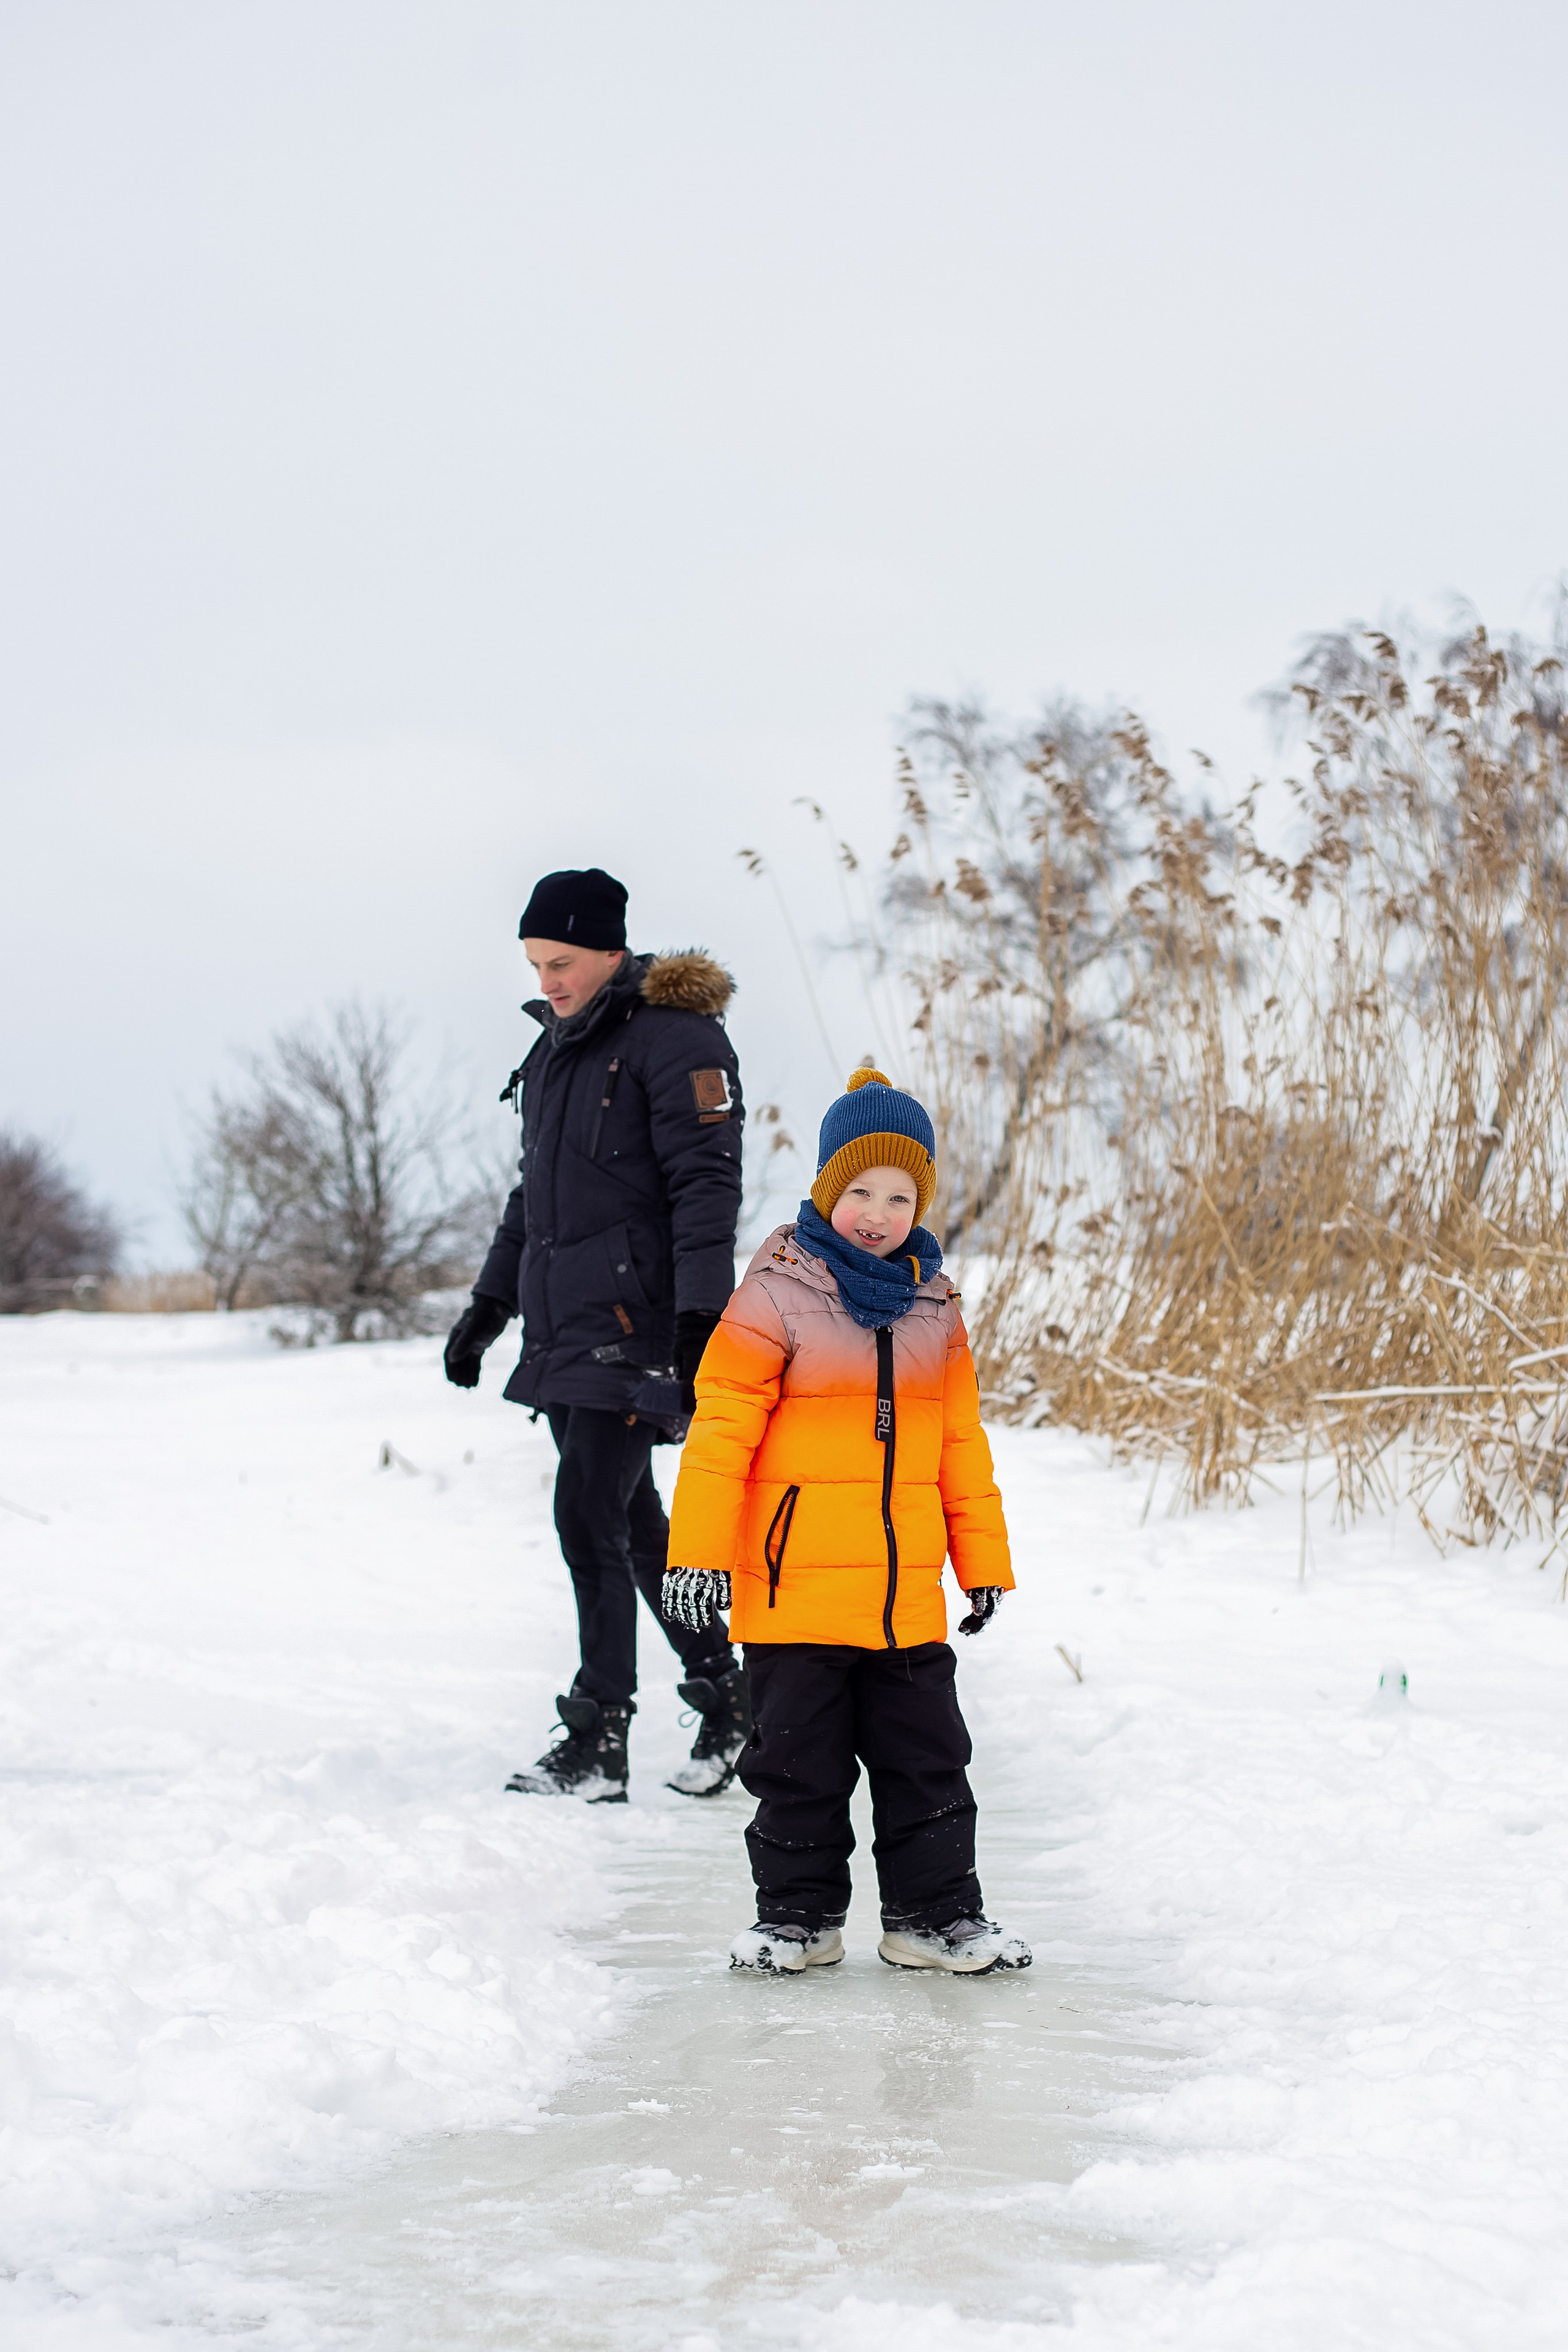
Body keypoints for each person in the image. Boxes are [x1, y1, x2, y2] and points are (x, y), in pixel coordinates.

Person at [660, 1065, 1031, 1975]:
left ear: (922, 1204)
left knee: (929, 1767)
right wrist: (697, 1554)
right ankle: (797, 1920)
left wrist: (982, 1562)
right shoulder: (773, 1295)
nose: (878, 1213)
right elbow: (719, 1436)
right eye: (861, 1190)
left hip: (904, 1602)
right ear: (828, 1189)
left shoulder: (936, 1308)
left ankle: (934, 1919)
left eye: (901, 1196)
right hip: (794, 1600)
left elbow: (960, 1447)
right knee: (798, 1770)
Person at [443, 865, 750, 1803]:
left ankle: (598, 1735)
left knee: (587, 1514)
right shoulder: (555, 1051)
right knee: (629, 1522)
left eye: (561, 963)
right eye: (536, 965)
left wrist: (699, 1322)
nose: (547, 982)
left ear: (610, 950)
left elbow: (706, 1189)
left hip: (638, 1325)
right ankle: (731, 1698)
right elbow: (533, 1197)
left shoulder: (678, 1038)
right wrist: (490, 1306)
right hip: (565, 1325)